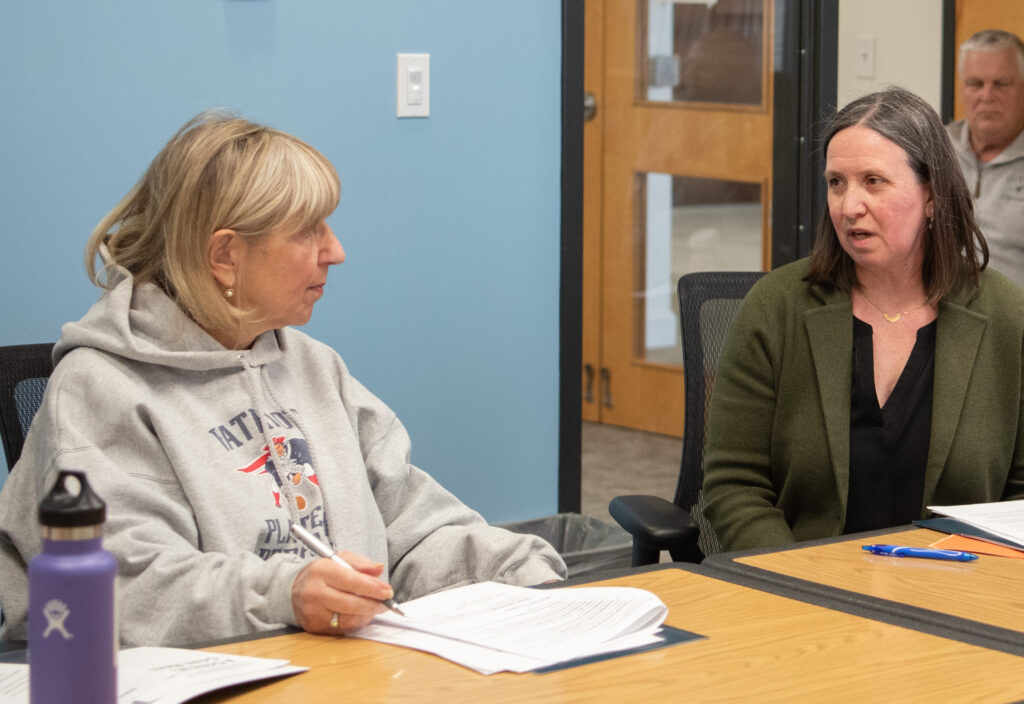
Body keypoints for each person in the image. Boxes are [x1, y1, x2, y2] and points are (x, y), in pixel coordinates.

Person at [0, 111, 566, 647]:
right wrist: (285, 596)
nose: (336, 252)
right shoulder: (101, 390)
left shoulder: (313, 367)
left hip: (338, 670)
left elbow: (414, 528)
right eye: (308, 231)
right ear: (225, 255)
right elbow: (131, 590)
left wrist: (521, 572)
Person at [702, 86, 1024, 553]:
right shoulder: (777, 307)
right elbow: (734, 484)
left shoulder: (1005, 316)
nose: (849, 205)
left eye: (873, 181)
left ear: (931, 195)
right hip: (803, 589)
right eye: (837, 182)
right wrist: (798, 579)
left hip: (958, 589)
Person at [946, 29, 1024, 288]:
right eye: (975, 84)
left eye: (1001, 84)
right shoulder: (935, 153)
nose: (987, 96)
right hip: (941, 316)